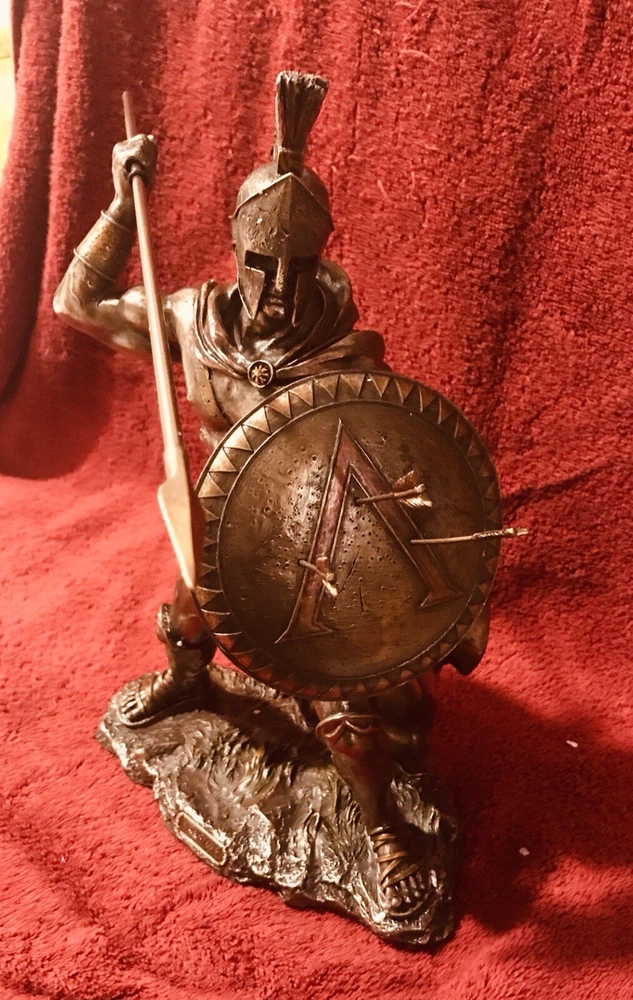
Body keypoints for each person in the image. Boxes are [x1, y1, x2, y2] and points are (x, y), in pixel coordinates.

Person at [54, 71, 489, 921]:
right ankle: (188, 684)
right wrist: (117, 206)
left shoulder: (347, 361)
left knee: (343, 712)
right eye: (261, 265)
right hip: (218, 528)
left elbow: (397, 471)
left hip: (317, 549)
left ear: (322, 256)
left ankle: (382, 829)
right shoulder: (193, 321)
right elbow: (78, 304)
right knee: (186, 621)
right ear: (234, 251)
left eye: (298, 266)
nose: (280, 288)